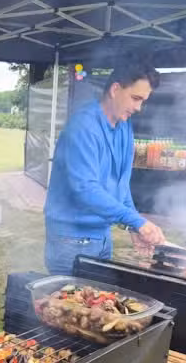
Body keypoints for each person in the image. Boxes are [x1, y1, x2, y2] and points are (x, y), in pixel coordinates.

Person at [43, 61, 166, 275]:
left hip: (102, 237)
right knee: (68, 306)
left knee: (98, 302)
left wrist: (134, 225)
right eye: (136, 98)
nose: (139, 108)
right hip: (70, 240)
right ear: (115, 89)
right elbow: (85, 189)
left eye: (143, 101)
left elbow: (121, 183)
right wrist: (136, 220)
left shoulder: (123, 125)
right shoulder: (83, 126)